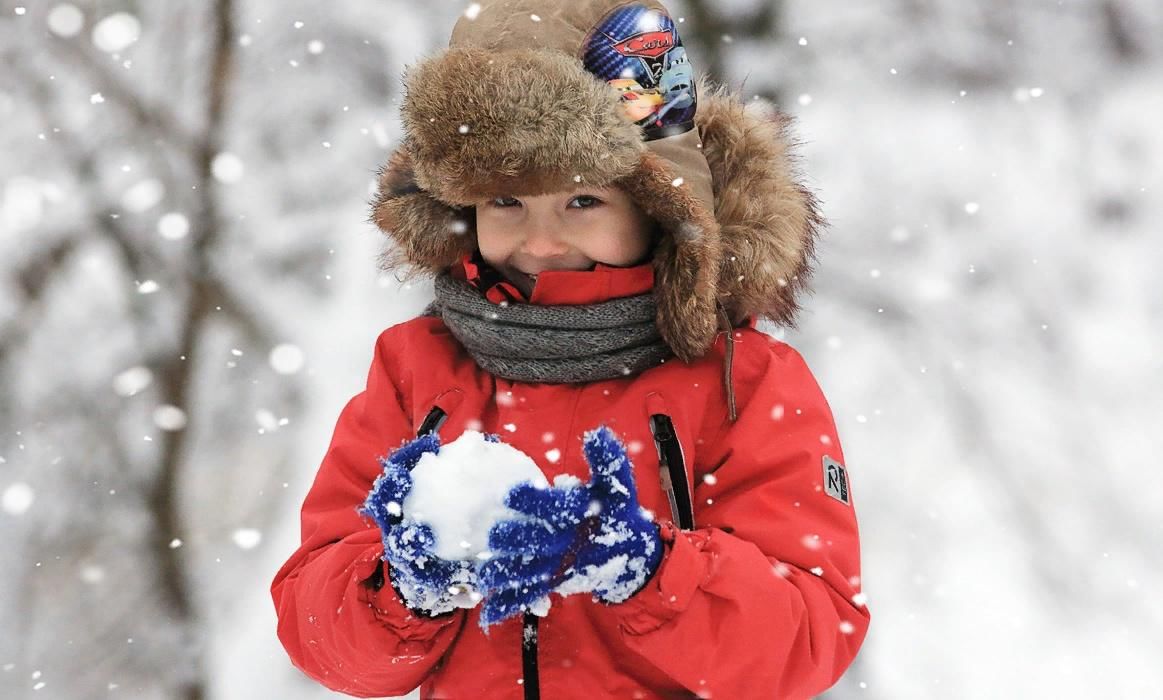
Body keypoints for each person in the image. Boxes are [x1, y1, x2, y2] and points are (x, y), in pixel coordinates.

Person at [271, 1, 870, 698]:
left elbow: (804, 638)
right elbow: (317, 633)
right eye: (505, 202)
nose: (542, 241)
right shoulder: (416, 369)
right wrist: (399, 588)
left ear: (658, 206)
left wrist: (647, 570)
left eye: (582, 201)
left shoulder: (749, 382)